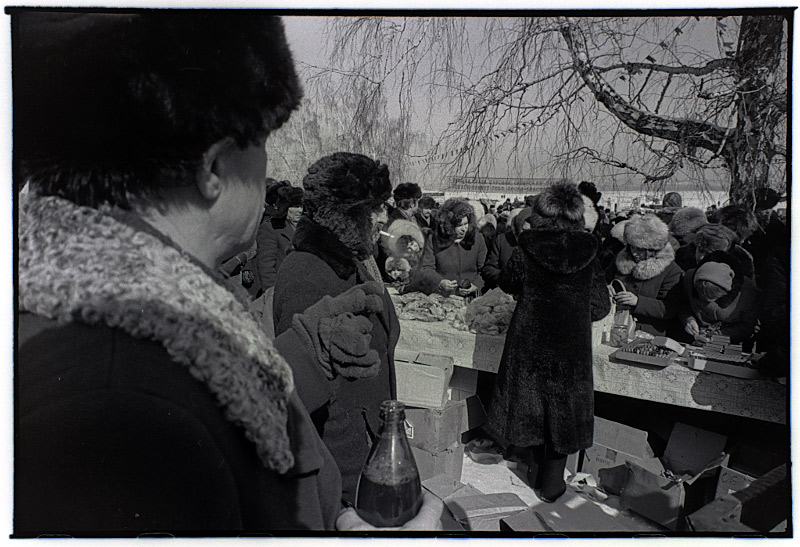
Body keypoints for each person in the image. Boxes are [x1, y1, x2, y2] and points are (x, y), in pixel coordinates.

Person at [14, 10, 440, 535]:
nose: (267, 169)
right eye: (261, 141)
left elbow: (224, 407)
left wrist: (309, 352)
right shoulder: (117, 404)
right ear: (213, 169)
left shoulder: (144, 316)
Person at [272, 152, 400, 505]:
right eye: (373, 208)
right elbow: (308, 402)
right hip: (346, 465)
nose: (383, 216)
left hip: (372, 442)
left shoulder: (357, 260)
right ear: (344, 215)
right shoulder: (305, 274)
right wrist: (345, 484)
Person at [486, 182, 611, 503]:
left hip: (530, 344)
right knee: (563, 410)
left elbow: (506, 282)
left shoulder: (527, 248)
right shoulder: (590, 250)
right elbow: (600, 307)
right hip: (571, 349)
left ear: (541, 214)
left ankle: (532, 469)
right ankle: (552, 483)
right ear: (577, 216)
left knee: (531, 405)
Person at [605, 214, 682, 336]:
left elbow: (669, 308)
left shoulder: (671, 271)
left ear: (653, 249)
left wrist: (638, 302)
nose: (635, 253)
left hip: (646, 333)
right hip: (615, 327)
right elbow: (604, 279)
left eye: (640, 249)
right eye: (632, 247)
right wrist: (606, 288)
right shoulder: (620, 260)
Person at [675, 251, 761, 345]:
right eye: (701, 294)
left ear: (726, 291)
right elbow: (682, 304)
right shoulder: (688, 278)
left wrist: (718, 335)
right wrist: (689, 320)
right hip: (690, 339)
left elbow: (748, 325)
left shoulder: (747, 292)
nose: (706, 300)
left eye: (712, 297)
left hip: (729, 343)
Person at [420, 197, 488, 297]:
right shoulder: (434, 240)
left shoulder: (477, 239)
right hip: (443, 298)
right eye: (459, 225)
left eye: (466, 224)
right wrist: (440, 281)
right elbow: (426, 268)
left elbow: (485, 269)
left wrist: (476, 285)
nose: (464, 229)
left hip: (471, 298)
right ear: (449, 225)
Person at [255, 182, 303, 291]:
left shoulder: (305, 228)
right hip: (282, 290)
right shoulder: (271, 228)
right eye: (294, 206)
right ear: (285, 207)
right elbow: (266, 268)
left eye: (300, 206)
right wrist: (273, 294)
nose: (299, 210)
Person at [674, 223, 754, 279]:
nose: (701, 257)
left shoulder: (742, 260)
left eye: (708, 253)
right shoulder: (683, 255)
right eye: (700, 251)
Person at [482, 207, 532, 290]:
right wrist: (505, 276)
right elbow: (488, 268)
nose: (527, 234)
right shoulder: (503, 240)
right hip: (506, 292)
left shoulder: (541, 244)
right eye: (524, 230)